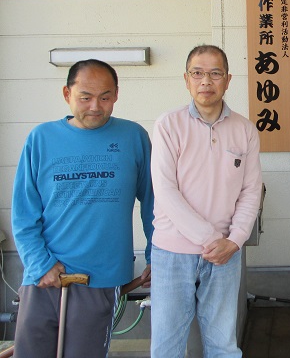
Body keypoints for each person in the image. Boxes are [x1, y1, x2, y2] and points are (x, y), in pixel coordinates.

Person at [11, 59, 154, 358]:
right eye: (85, 97)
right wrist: (41, 265)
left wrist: (157, 257)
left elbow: (154, 205)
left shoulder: (133, 137)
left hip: (101, 277)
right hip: (44, 278)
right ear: (67, 94)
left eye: (105, 97)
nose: (95, 107)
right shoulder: (41, 139)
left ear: (116, 95)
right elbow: (24, 214)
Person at [150, 45, 262, 357]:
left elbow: (251, 190)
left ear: (228, 80)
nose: (206, 81)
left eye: (215, 73)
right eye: (197, 73)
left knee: (223, 345)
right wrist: (213, 239)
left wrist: (235, 240)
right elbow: (165, 190)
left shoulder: (245, 129)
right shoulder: (168, 125)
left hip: (226, 255)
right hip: (173, 253)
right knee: (167, 345)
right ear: (186, 79)